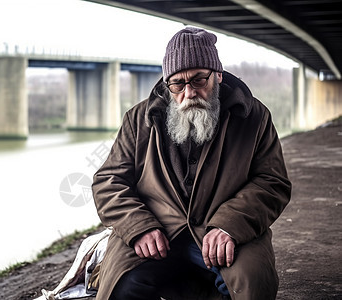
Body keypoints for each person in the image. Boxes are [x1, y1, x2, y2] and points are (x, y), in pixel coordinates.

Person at [92, 26, 291, 300]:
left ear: (217, 75)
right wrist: (139, 227)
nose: (189, 92)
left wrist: (229, 225)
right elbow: (108, 182)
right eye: (178, 84)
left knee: (251, 284)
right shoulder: (138, 120)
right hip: (156, 231)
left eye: (199, 80)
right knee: (121, 286)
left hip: (224, 232)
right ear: (167, 84)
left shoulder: (254, 116)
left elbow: (272, 182)